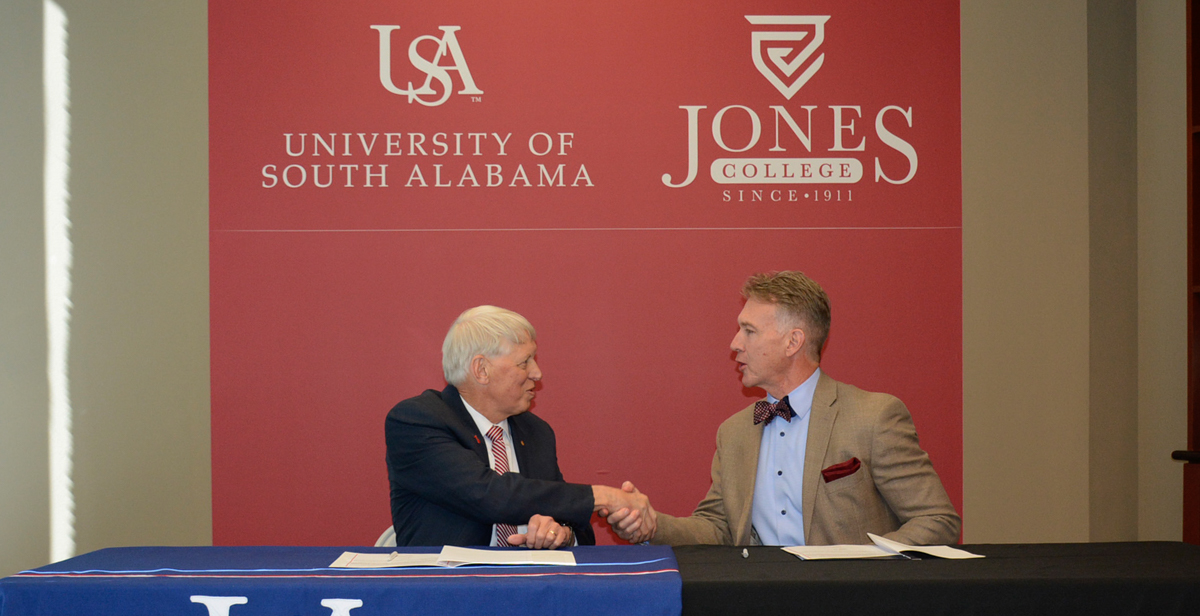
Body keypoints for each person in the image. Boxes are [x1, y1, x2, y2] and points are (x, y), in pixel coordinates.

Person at [612, 271, 960, 546]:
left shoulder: (874, 417)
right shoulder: (733, 433)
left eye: (748, 331)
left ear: (793, 341)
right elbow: (717, 529)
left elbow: (938, 520)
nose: (734, 345)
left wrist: (862, 566)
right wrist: (652, 524)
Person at [385, 305, 654, 549]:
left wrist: (561, 532)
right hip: (447, 590)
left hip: (529, 587)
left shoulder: (536, 432)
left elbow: (571, 520)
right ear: (481, 370)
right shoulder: (417, 420)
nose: (537, 373)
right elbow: (490, 494)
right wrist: (602, 496)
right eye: (525, 362)